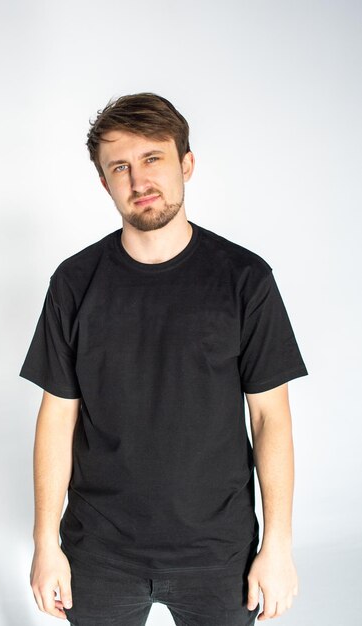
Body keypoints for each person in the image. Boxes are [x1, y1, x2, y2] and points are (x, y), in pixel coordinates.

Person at [19, 92, 309, 625]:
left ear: (186, 164)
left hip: (219, 552)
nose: (138, 180)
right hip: (99, 551)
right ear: (104, 183)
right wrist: (45, 544)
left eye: (152, 159)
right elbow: (57, 416)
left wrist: (278, 546)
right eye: (120, 167)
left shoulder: (245, 280)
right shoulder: (74, 283)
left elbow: (270, 417)